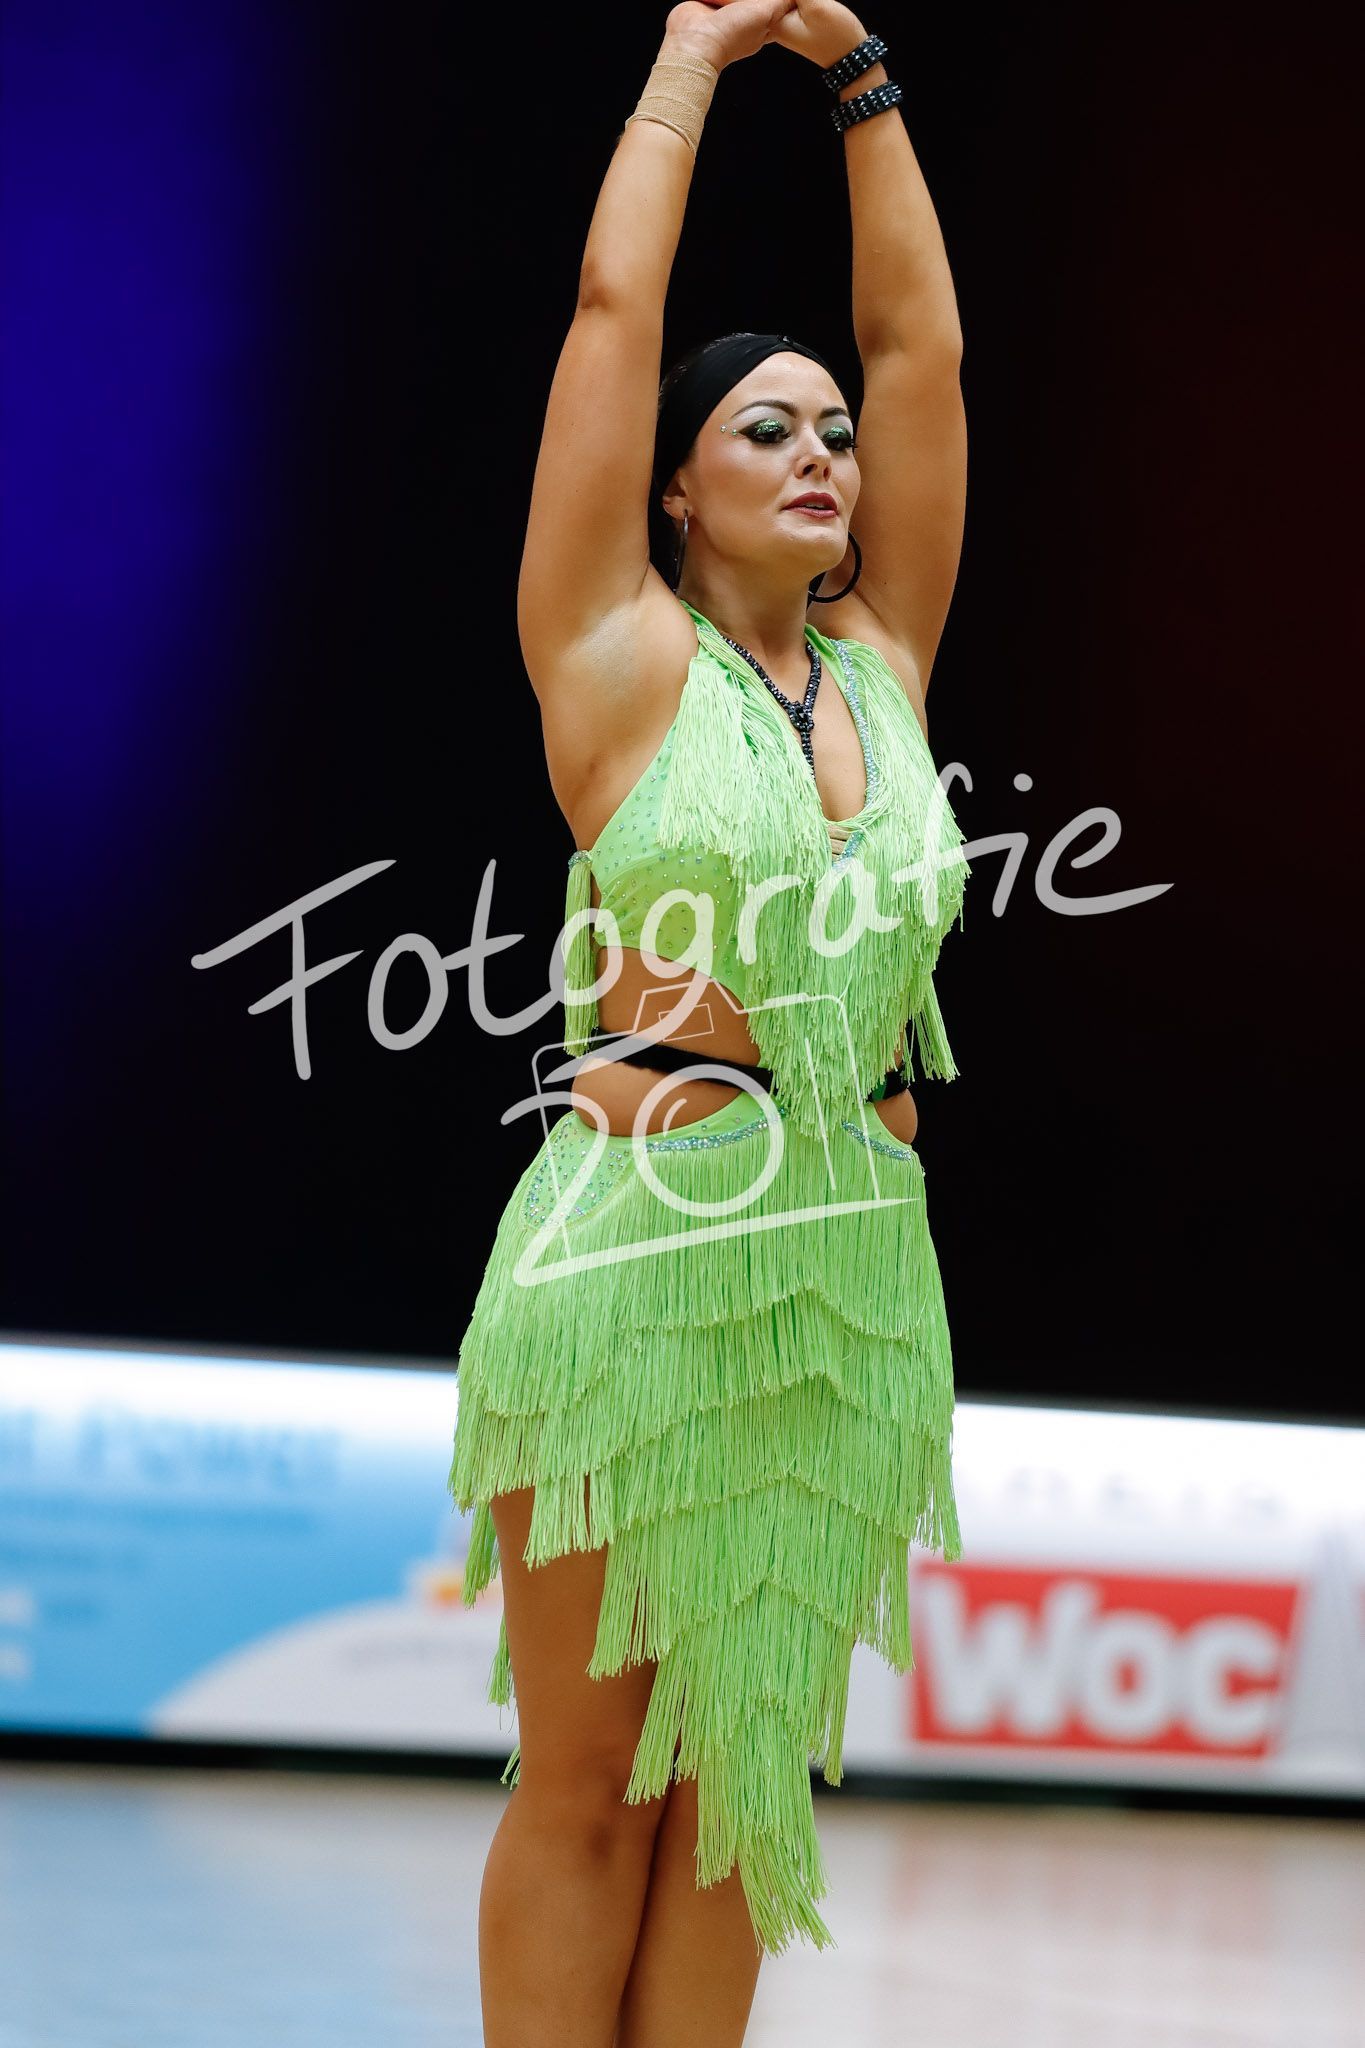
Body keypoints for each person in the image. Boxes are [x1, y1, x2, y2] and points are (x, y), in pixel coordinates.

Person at [448, 3, 970, 2042]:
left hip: (853, 1283)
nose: (822, 453)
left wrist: (862, 87)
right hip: (634, 1255)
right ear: (670, 488)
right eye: (766, 430)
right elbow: (611, 312)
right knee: (591, 1787)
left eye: (829, 433)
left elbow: (923, 361)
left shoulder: (886, 665)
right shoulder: (613, 656)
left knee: (741, 1785)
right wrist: (689, 63)